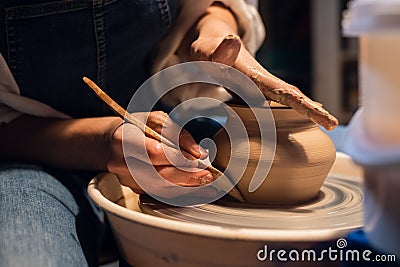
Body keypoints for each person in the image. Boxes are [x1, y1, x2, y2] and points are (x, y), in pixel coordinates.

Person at [0, 0, 336, 266]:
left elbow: (207, 5)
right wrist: (102, 142)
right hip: (32, 150)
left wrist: (215, 27)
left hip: (168, 134)